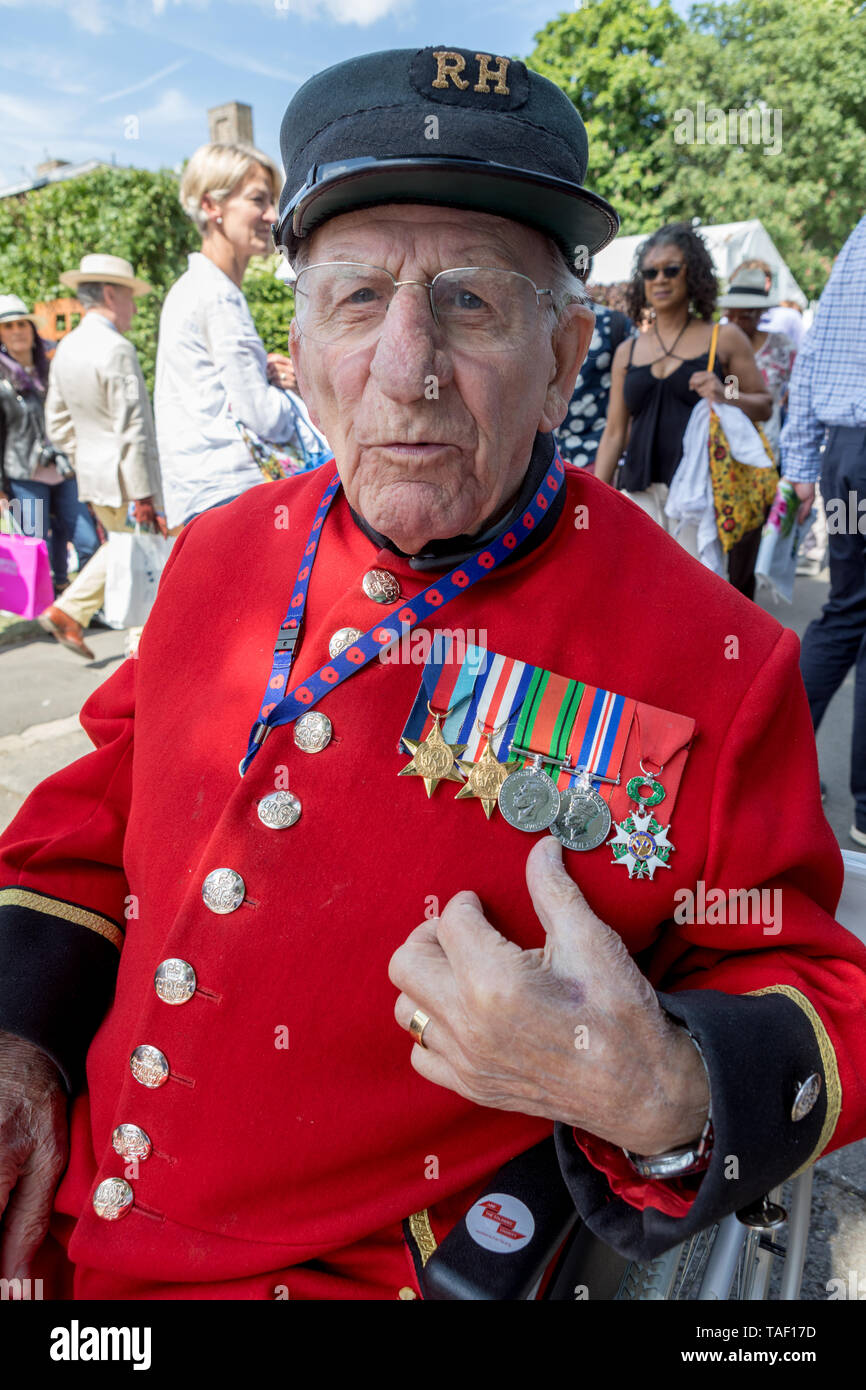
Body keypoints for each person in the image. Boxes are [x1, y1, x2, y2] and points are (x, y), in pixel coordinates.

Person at [0, 46, 863, 1302]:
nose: (405, 370)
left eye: (467, 304)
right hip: (76, 1222)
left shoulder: (712, 654)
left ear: (566, 357)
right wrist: (19, 1035)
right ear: (296, 344)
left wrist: (660, 1085)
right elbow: (101, 816)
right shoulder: (220, 554)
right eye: (357, 301)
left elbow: (812, 981)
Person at [592, 223, 772, 594]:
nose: (659, 279)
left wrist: (726, 394)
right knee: (643, 591)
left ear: (693, 273)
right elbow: (614, 431)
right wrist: (597, 497)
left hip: (698, 494)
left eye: (671, 269)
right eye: (650, 272)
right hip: (640, 490)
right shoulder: (628, 350)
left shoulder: (723, 338)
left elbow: (765, 405)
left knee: (694, 592)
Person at [155, 142, 314, 532]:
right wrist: (292, 389)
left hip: (205, 492)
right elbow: (263, 416)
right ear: (212, 206)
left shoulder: (196, 288)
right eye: (257, 200)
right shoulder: (218, 295)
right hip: (231, 491)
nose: (271, 215)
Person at [780, 214, 866, 848]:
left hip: (847, 454)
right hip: (847, 450)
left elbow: (815, 355)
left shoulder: (861, 233)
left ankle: (776, 763)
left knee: (847, 610)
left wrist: (806, 461)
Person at [38, 255, 164, 660]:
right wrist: (144, 493)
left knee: (125, 552)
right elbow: (133, 428)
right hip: (129, 481)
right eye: (130, 297)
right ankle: (139, 655)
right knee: (142, 563)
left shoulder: (67, 347)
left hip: (94, 477)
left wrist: (87, 457)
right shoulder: (117, 348)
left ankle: (70, 610)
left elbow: (57, 424)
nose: (135, 307)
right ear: (111, 294)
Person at [0, 295, 100, 595]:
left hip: (64, 468)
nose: (17, 331)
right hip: (24, 475)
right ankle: (44, 609)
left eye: (22, 324)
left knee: (87, 539)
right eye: (8, 326)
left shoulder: (52, 369)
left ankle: (82, 608)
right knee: (35, 544)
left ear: (32, 328)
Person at [556, 259, 635, 471]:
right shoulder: (535, 319)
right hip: (545, 461)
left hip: (596, 456)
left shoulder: (614, 324)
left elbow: (632, 401)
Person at [719, 268, 796, 461]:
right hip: (728, 444)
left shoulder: (781, 346)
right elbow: (729, 394)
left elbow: (801, 389)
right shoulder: (721, 346)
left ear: (760, 313)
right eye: (731, 316)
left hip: (768, 445)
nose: (735, 322)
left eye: (744, 316)